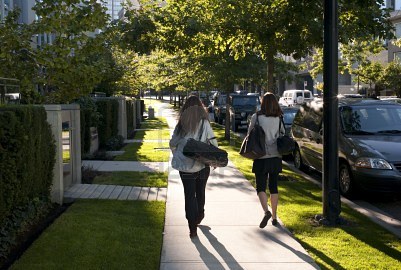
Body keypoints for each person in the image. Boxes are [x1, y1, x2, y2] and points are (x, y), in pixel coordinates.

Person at [169, 95, 218, 238]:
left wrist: (176, 153)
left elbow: (173, 142)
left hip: (185, 166)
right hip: (202, 164)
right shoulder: (204, 123)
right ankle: (200, 214)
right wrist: (215, 159)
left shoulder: (181, 125)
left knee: (189, 195)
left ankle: (192, 228)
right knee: (200, 191)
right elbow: (213, 141)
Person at [247, 92, 285, 228]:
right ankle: (274, 217)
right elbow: (282, 134)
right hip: (275, 157)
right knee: (274, 187)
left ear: (263, 102)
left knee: (261, 187)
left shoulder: (256, 117)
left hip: (260, 156)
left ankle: (266, 211)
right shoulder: (279, 118)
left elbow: (250, 134)